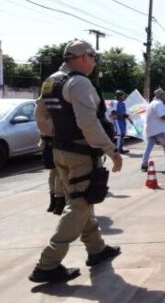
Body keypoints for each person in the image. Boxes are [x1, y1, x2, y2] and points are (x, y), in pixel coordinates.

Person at [29, 40, 123, 283]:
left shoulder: (51, 81)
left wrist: (58, 136)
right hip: (81, 154)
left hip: (61, 152)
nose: (94, 62)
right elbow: (88, 123)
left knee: (81, 200)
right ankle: (48, 264)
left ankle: (97, 249)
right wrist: (111, 150)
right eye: (93, 57)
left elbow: (40, 117)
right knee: (80, 206)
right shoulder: (79, 82)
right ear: (82, 58)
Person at [141, 88, 165, 171]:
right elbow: (161, 116)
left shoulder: (151, 104)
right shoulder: (159, 104)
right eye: (163, 94)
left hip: (150, 130)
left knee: (148, 148)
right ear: (160, 95)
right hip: (159, 130)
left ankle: (144, 164)